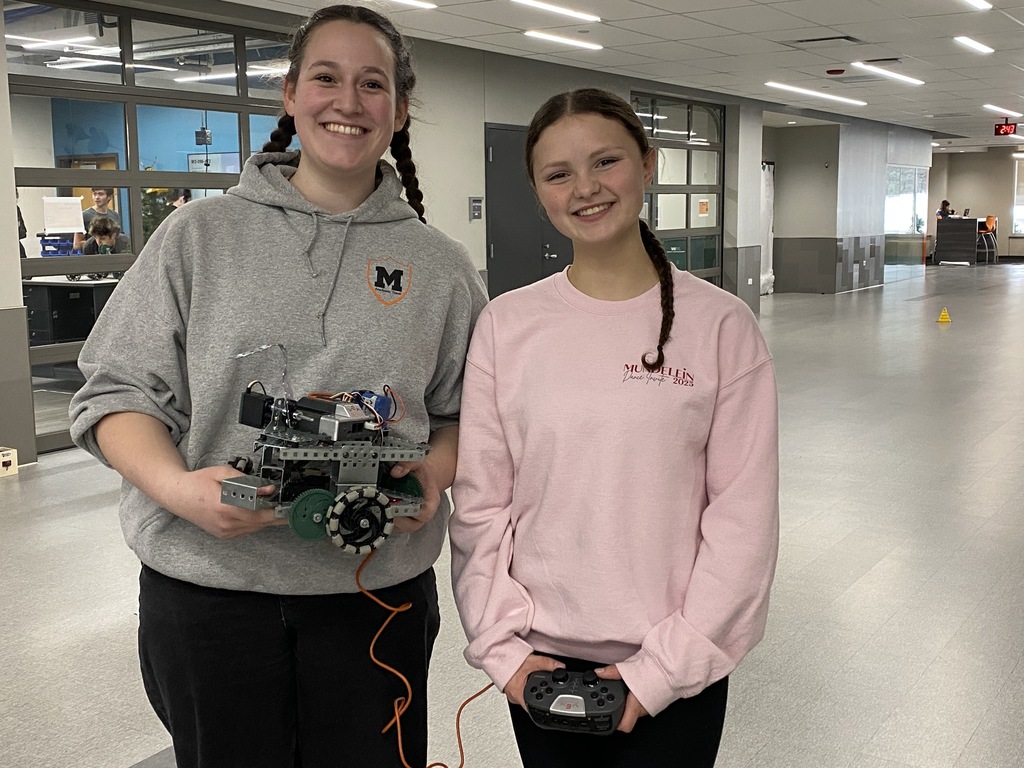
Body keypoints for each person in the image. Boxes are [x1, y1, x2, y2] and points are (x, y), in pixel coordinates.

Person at [69, 6, 487, 767]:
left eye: (373, 84)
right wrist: (182, 489)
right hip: (207, 598)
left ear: (398, 110)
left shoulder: (443, 267)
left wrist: (431, 474)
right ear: (291, 95)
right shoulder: (197, 237)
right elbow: (113, 394)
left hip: (374, 602)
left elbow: (469, 415)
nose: (348, 102)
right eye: (325, 78)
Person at [449, 88, 779, 768]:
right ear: (538, 189)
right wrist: (503, 653)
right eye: (559, 173)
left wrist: (665, 670)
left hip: (676, 668)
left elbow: (742, 520)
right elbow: (481, 508)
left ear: (647, 164)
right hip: (540, 666)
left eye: (606, 162)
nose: (586, 189)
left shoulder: (720, 327)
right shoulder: (507, 327)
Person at [75, 187, 121, 251]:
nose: (97, 197)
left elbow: (118, 238)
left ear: (109, 197)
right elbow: (77, 244)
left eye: (100, 194)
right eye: (94, 194)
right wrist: (100, 243)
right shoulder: (84, 215)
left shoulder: (115, 215)